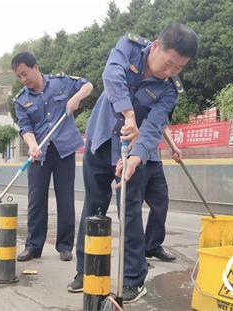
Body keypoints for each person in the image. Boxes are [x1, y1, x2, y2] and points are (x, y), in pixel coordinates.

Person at [67, 23, 198, 304]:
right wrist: (128, 114)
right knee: (93, 207)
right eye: (168, 63)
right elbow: (111, 75)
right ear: (155, 46)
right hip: (101, 139)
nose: (170, 72)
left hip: (131, 151)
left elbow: (153, 127)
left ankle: (132, 280)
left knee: (129, 211)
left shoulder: (170, 90)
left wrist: (136, 158)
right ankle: (84, 270)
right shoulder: (128, 47)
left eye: (179, 68)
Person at [11, 52, 93, 262]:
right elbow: (25, 127)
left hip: (64, 149)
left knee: (65, 198)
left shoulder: (60, 83)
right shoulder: (22, 100)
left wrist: (75, 98)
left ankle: (65, 246)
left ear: (35, 67)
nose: (23, 79)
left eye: (25, 73)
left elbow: (88, 85)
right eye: (19, 77)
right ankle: (33, 246)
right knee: (36, 200)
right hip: (39, 152)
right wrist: (32, 145)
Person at [143, 127, 181, 262]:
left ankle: (152, 245)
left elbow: (162, 123)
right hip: (134, 159)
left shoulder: (157, 106)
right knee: (132, 209)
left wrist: (173, 146)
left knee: (161, 203)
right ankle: (133, 254)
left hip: (154, 161)